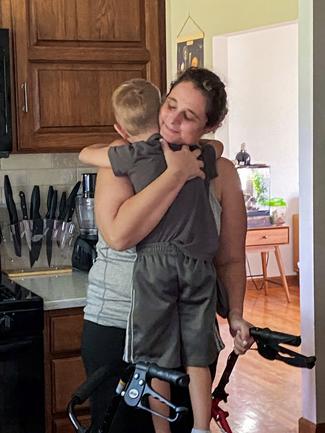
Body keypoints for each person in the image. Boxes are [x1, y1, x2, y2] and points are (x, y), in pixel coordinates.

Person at [80, 67, 252, 433]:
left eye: (188, 115)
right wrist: (176, 174)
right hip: (116, 323)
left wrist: (235, 312)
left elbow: (231, 258)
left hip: (189, 330)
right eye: (170, 104)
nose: (172, 119)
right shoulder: (123, 160)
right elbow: (120, 236)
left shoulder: (219, 169)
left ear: (209, 127)